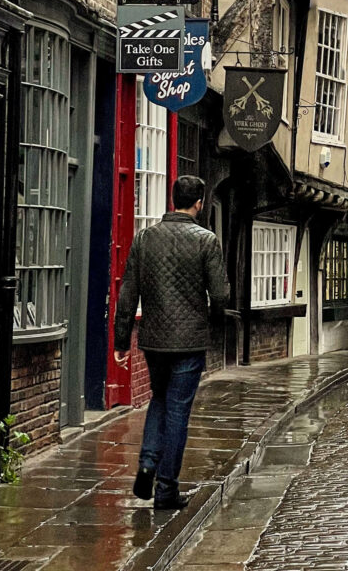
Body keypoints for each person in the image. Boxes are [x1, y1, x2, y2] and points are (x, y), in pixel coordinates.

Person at [114, 175, 228, 510]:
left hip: (154, 340)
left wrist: (122, 340)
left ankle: (147, 465)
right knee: (178, 410)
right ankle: (166, 488)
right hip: (189, 342)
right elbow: (220, 294)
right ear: (199, 203)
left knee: (158, 400)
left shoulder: (145, 238)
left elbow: (127, 293)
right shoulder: (207, 241)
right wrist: (215, 324)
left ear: (172, 198)